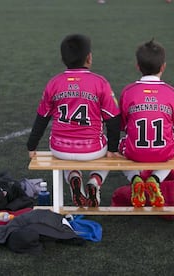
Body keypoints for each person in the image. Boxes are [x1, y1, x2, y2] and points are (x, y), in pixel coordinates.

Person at [27, 34, 121, 207]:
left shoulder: (54, 83)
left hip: (60, 148)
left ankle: (73, 177)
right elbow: (113, 120)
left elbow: (42, 118)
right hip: (92, 149)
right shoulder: (100, 83)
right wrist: (113, 149)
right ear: (89, 57)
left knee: (66, 155)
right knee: (112, 148)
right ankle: (94, 181)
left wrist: (31, 146)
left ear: (63, 59)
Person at [118, 39, 174, 208]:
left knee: (119, 145)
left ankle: (134, 178)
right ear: (163, 67)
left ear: (137, 66)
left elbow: (123, 126)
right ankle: (155, 179)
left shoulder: (128, 92)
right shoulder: (172, 93)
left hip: (135, 152)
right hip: (163, 152)